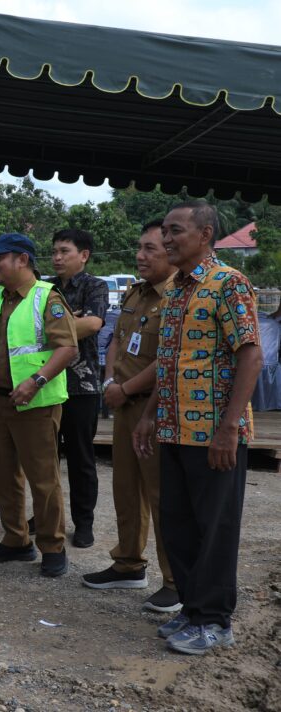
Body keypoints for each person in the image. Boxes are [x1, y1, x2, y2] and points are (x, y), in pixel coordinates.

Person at [133, 200, 262, 655]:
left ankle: (214, 620)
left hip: (213, 434)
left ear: (205, 235)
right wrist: (149, 415)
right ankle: (192, 609)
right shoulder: (178, 290)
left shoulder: (228, 283)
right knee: (179, 526)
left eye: (175, 231)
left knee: (215, 529)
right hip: (173, 429)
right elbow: (168, 363)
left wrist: (229, 428)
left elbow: (251, 354)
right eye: (165, 230)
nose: (167, 239)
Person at [82, 220, 178, 612]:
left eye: (150, 249)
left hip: (152, 408)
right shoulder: (137, 294)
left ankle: (174, 581)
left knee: (160, 495)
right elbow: (118, 338)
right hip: (121, 403)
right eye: (139, 248)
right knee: (125, 488)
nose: (140, 256)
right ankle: (128, 564)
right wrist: (109, 382)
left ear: (170, 252)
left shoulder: (176, 296)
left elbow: (167, 357)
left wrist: (126, 388)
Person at [0, 233, 78, 579]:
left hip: (36, 404)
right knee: (3, 476)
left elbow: (67, 348)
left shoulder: (47, 298)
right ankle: (16, 540)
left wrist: (36, 382)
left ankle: (52, 546)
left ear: (22, 260)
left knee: (42, 479)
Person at [49, 229, 109, 548]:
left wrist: (52, 327)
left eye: (64, 251)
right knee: (44, 457)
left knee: (80, 458)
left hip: (81, 386)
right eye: (55, 251)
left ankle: (83, 522)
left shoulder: (94, 286)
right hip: (46, 382)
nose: (57, 257)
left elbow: (93, 324)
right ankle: (47, 516)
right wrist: (72, 322)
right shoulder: (44, 287)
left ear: (83, 255)